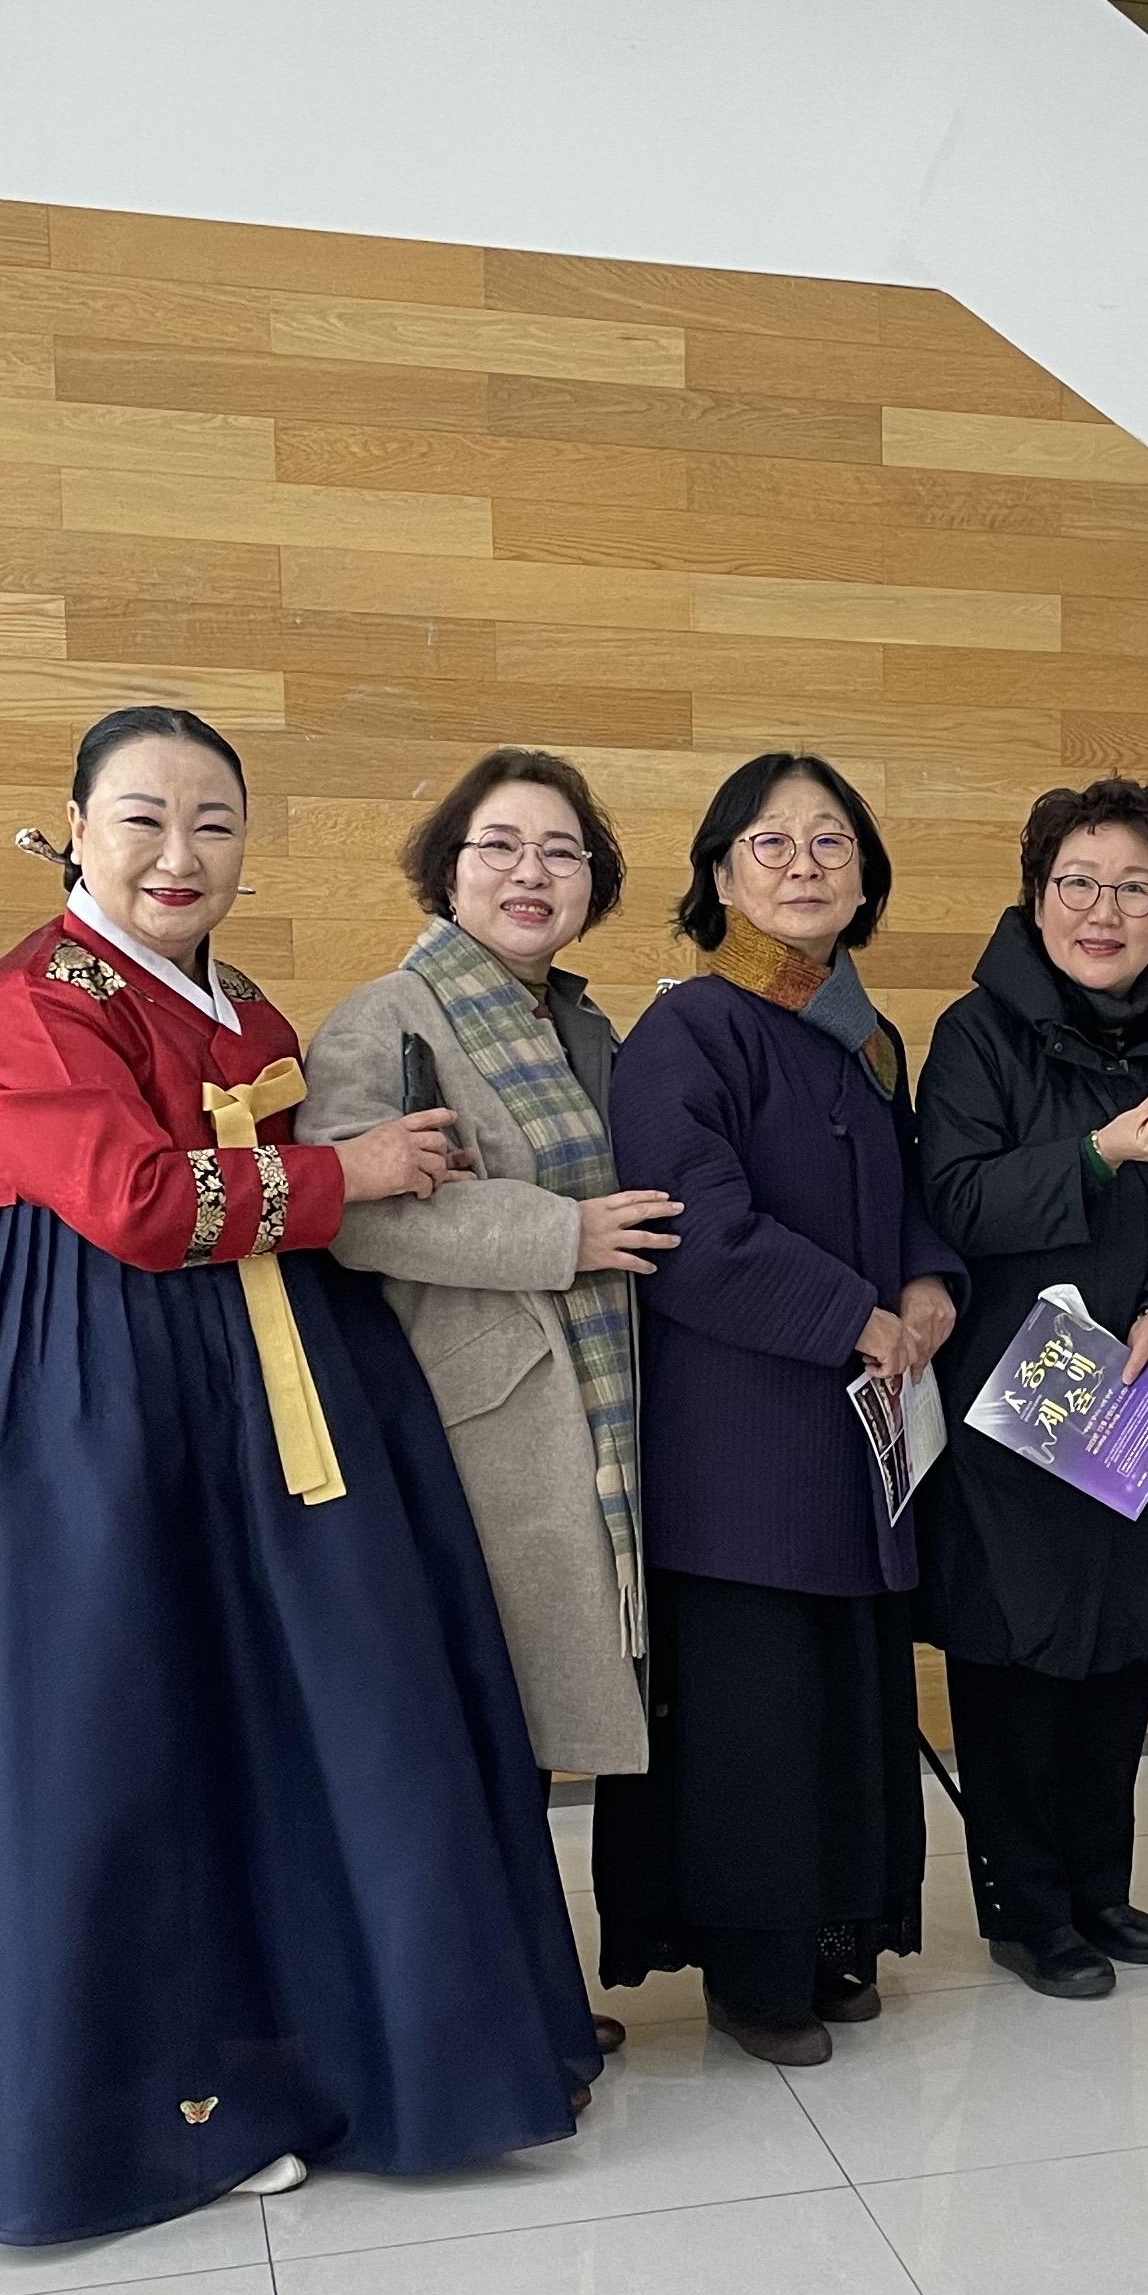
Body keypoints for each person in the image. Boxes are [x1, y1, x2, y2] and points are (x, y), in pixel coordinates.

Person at [0, 707, 596, 2245]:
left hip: (245, 1390)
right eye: (143, 818)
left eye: (215, 823)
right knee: (121, 1733)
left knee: (278, 1716)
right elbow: (131, 1199)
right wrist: (347, 1173)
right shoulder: (35, 1001)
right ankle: (138, 2109)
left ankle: (309, 2062)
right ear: (74, 828)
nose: (180, 854)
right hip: (88, 1403)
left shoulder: (234, 1000)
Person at [303, 746, 681, 2066]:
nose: (532, 873)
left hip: (593, 1407)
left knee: (526, 1732)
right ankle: (479, 2033)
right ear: (448, 870)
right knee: (476, 1730)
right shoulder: (387, 1019)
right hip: (481, 1424)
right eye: (500, 848)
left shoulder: (584, 1025)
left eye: (561, 852)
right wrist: (558, 1235)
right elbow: (350, 1214)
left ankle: (527, 2005)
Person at [589, 753, 962, 2064]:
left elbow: (906, 1195)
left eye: (830, 842)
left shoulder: (867, 1034)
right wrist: (854, 1314)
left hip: (860, 1440)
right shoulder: (688, 1029)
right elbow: (692, 1229)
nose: (803, 865)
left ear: (865, 877)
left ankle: (837, 1939)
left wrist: (925, 1282)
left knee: (848, 1704)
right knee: (756, 1718)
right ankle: (754, 1973)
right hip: (742, 1447)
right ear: (718, 874)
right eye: (770, 843)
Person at [913, 780, 1148, 1999]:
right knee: (1020, 1653)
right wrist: (1097, 1155)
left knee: (1123, 1651)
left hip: (1135, 1390)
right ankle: (1026, 1909)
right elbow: (956, 1201)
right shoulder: (977, 1034)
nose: (1105, 911)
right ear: (1038, 896)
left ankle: (1101, 1887)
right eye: (1079, 884)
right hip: (1018, 1395)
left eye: (1135, 889)